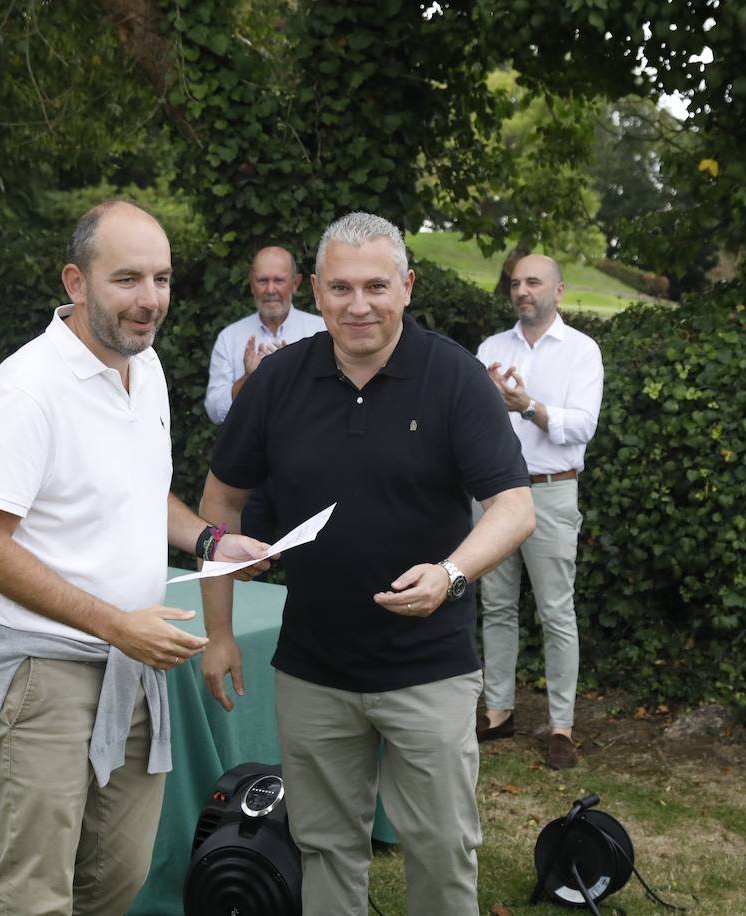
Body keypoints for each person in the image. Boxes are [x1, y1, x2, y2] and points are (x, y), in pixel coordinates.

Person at [197, 212, 536, 916]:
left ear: (407, 287)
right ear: (314, 292)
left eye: (377, 286)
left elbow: (512, 506)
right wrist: (220, 633)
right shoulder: (278, 381)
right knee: (324, 848)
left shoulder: (453, 377)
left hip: (430, 667)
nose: (359, 305)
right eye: (342, 288)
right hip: (314, 669)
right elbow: (220, 504)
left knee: (443, 847)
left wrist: (451, 574)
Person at [0, 199, 269, 915]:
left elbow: (142, 492)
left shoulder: (143, 366)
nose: (149, 299)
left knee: (115, 880)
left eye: (161, 278)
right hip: (40, 672)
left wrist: (211, 540)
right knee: (32, 895)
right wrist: (116, 625)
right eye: (127, 279)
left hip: (129, 666)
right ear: (76, 281)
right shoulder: (28, 389)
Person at [473, 253, 604, 770]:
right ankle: (499, 712)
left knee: (555, 612)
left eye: (533, 282)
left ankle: (561, 727)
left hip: (551, 490)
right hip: (493, 493)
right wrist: (487, 399)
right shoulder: (490, 349)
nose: (521, 290)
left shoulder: (581, 351)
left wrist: (527, 406)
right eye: (516, 282)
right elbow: (469, 422)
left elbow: (582, 425)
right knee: (497, 604)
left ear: (559, 290)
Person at [204, 246, 325, 543]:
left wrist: (288, 377)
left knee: (313, 556)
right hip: (249, 474)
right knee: (247, 559)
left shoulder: (321, 331)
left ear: (295, 283)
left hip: (309, 468)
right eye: (262, 281)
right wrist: (251, 379)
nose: (271, 290)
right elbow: (215, 410)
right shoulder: (231, 338)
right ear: (251, 284)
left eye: (279, 280)